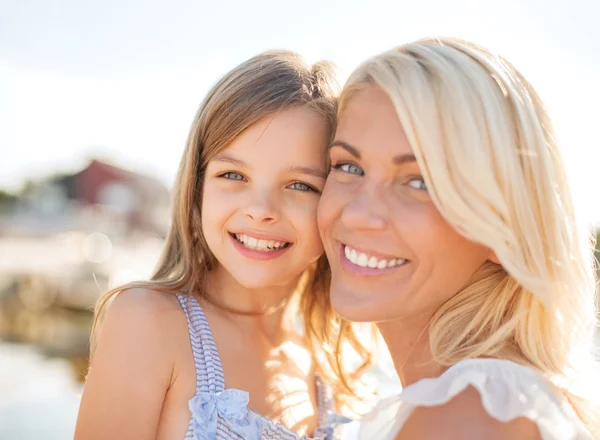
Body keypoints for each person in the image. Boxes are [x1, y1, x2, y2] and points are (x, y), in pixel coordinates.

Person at [75, 50, 372, 440]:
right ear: (197, 189)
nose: (260, 211)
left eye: (300, 185)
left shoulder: (333, 357)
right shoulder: (149, 322)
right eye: (233, 174)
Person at [317, 37, 599, 439]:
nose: (359, 214)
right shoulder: (492, 399)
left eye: (419, 182)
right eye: (349, 166)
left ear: (504, 229)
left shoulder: (470, 414)